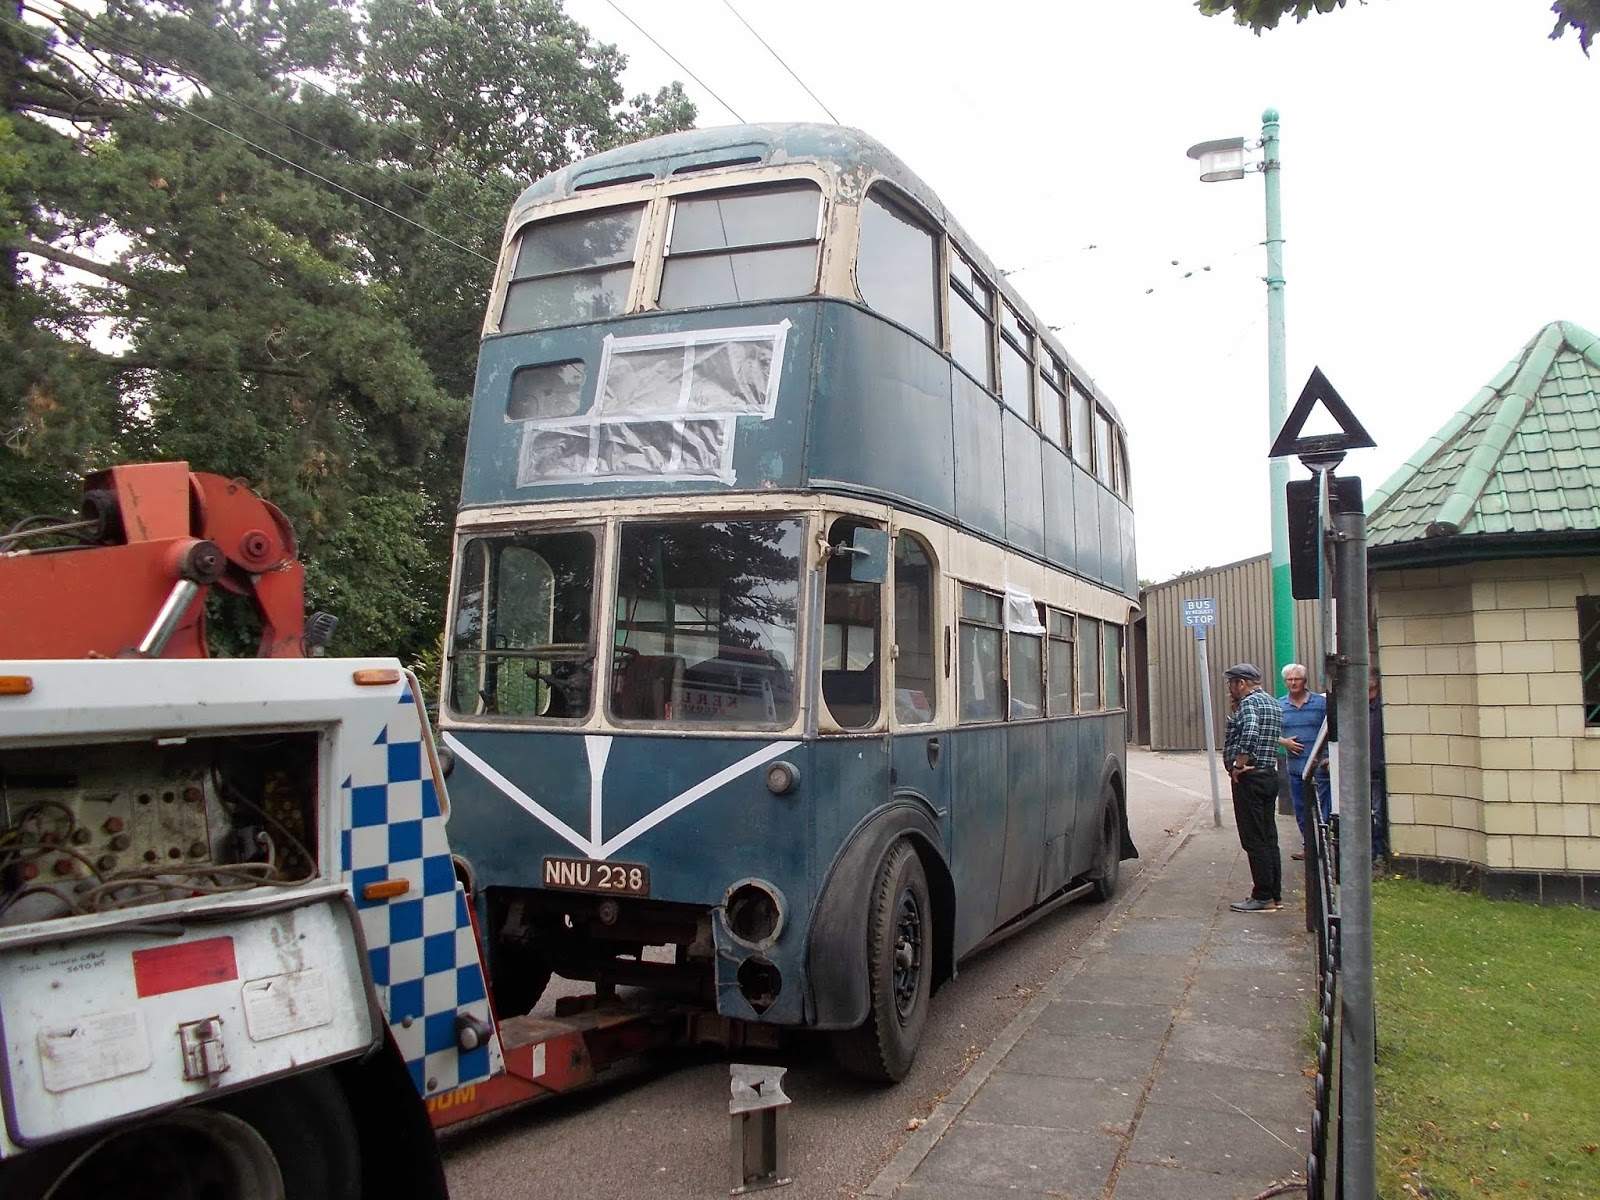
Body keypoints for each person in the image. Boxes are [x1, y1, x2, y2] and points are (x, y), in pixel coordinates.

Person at [1223, 663, 1285, 913]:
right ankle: (1275, 894)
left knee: (1254, 839)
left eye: (1231, 683)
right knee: (1270, 838)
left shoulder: (1249, 703)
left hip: (1251, 778)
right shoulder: (1271, 703)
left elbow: (1249, 734)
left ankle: (1262, 895)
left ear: (1241, 683)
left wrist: (1238, 765)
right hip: (1269, 774)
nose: (1230, 688)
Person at [1277, 663, 1332, 861]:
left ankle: (1323, 845)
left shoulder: (1321, 703)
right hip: (1296, 768)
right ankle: (1309, 845)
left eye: (1297, 679)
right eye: (1289, 679)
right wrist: (1284, 742)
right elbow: (1270, 732)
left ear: (1304, 680)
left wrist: (1329, 757)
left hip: (1321, 768)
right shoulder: (1279, 706)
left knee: (1324, 808)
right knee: (1301, 809)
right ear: (1285, 682)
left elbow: (1334, 730)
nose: (1293, 682)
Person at [1370, 668, 1389, 862]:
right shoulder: (1360, 707)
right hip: (1365, 769)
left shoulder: (1381, 708)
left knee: (1377, 812)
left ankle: (1378, 851)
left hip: (1376, 768)